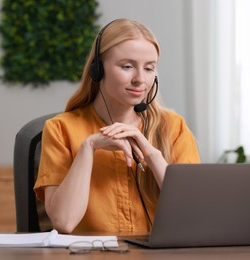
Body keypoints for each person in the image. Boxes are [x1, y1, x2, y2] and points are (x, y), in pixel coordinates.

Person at [34, 18, 200, 234]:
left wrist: (153, 155)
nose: (140, 79)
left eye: (149, 68)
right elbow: (64, 222)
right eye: (127, 66)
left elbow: (194, 216)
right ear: (98, 70)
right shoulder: (60, 129)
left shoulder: (174, 127)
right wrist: (88, 148)